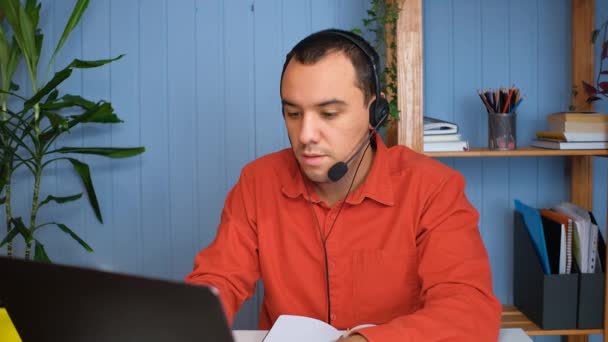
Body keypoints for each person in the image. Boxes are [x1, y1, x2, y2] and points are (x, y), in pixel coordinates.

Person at [186, 29, 501, 341]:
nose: (306, 134)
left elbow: (470, 311)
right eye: (293, 113)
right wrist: (185, 319)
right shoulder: (258, 182)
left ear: (374, 112)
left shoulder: (433, 188)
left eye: (329, 113)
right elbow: (218, 280)